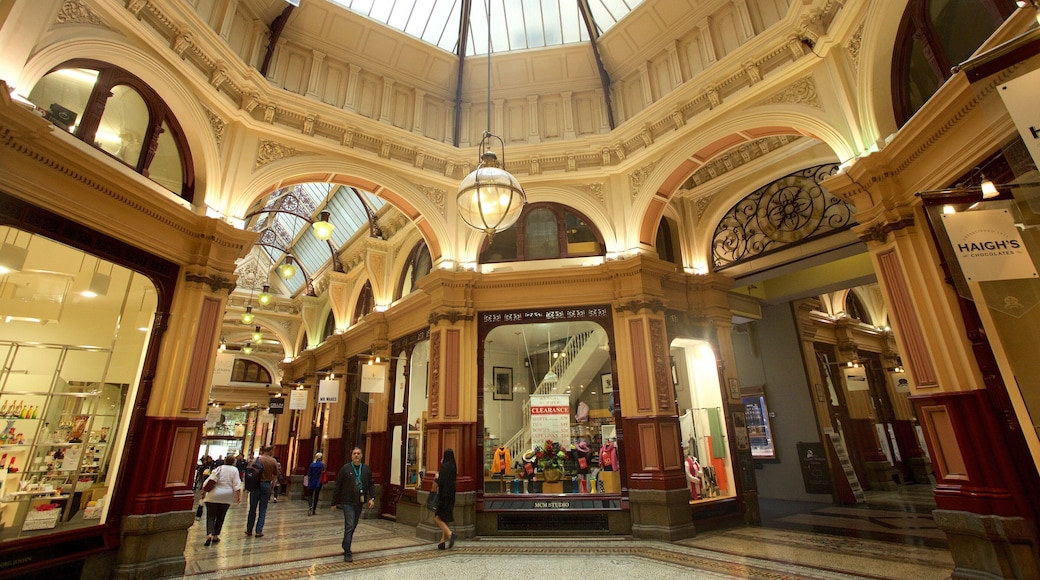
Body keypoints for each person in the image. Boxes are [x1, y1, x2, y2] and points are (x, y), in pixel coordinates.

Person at [331, 447, 374, 562]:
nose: (356, 455)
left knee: (353, 525)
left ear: (362, 455)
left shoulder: (365, 469)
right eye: (354, 453)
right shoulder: (345, 469)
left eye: (358, 453)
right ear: (351, 456)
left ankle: (345, 543)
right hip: (347, 502)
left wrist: (372, 498)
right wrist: (334, 502)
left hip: (359, 502)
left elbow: (370, 484)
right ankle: (347, 552)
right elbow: (338, 485)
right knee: (350, 525)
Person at [202, 455, 241, 546]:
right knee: (221, 516)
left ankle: (209, 534)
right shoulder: (234, 470)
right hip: (226, 496)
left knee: (211, 516)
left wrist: (203, 493)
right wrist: (238, 497)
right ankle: (215, 536)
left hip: (213, 495)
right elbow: (236, 484)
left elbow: (209, 481)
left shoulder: (218, 468)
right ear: (233, 462)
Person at [244, 445, 279, 538]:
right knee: (263, 509)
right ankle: (259, 531)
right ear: (270, 451)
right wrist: (273, 484)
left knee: (252, 508)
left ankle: (249, 529)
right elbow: (276, 474)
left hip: (255, 485)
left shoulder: (256, 459)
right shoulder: (273, 461)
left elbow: (249, 471)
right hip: (266, 484)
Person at [432, 448, 457, 550]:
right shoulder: (453, 466)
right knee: (445, 518)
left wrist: (437, 476)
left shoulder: (444, 467)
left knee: (437, 517)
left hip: (444, 496)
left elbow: (440, 481)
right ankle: (442, 542)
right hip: (452, 496)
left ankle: (450, 534)